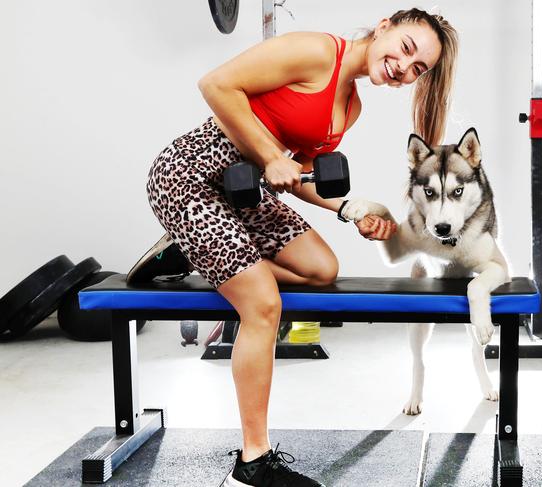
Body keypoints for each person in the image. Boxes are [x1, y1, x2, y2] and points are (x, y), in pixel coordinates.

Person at [146, 7, 458, 487]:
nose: (403, 67)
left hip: (247, 193)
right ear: (384, 29)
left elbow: (298, 176)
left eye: (417, 69)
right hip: (191, 179)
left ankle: (195, 252)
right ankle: (253, 461)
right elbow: (215, 84)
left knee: (321, 268)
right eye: (406, 49)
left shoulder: (352, 106)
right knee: (263, 306)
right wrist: (271, 155)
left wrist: (351, 210)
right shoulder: (315, 51)